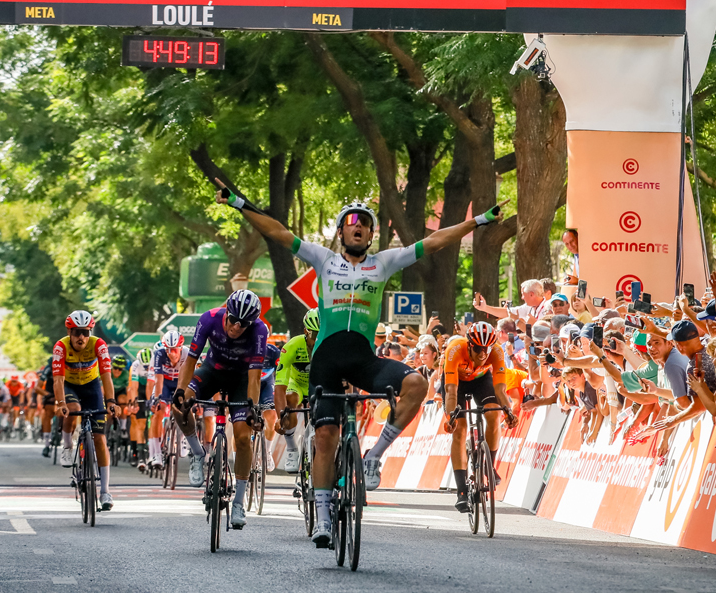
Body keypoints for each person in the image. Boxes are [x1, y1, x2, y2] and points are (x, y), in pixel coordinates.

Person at [214, 177, 507, 547]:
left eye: (365, 224)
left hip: (364, 360)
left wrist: (478, 221)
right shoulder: (324, 259)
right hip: (327, 360)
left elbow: (435, 241)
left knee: (417, 384)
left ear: (370, 235)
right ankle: (322, 519)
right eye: (351, 222)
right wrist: (240, 203)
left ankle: (373, 457)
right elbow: (278, 231)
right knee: (325, 437)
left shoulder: (384, 263)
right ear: (340, 232)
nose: (358, 226)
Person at [171, 289, 268, 529]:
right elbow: (191, 360)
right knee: (179, 407)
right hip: (212, 371)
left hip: (241, 380)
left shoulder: (259, 331)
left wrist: (252, 409)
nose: (236, 326)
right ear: (227, 313)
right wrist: (182, 391)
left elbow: (255, 379)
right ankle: (197, 453)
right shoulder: (209, 318)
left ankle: (238, 503)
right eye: (233, 319)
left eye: (243, 324)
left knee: (244, 437)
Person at [442, 322, 518, 512]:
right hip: (456, 383)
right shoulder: (455, 350)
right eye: (477, 349)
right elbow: (451, 391)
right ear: (469, 345)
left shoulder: (497, 352)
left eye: (486, 349)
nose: (483, 354)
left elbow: (500, 389)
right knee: (459, 430)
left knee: (494, 414)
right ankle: (461, 490)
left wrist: (509, 412)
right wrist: (450, 417)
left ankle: (488, 467)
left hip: (480, 380)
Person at [52, 310, 117, 511]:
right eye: (77, 332)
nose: (81, 337)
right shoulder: (61, 347)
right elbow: (58, 379)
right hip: (70, 386)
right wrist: (61, 402)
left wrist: (111, 401)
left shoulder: (98, 345)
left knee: (100, 439)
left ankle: (105, 491)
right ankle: (67, 447)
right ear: (69, 332)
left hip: (91, 387)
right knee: (73, 409)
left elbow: (106, 375)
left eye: (86, 332)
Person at [274, 308, 319, 473]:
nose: (316, 341)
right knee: (290, 399)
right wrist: (280, 415)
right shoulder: (292, 346)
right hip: (297, 385)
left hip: (318, 385)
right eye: (314, 335)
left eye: (320, 336)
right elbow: (280, 385)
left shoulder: (327, 345)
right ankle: (292, 447)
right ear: (306, 331)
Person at [148, 330, 186, 469]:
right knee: (159, 410)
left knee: (185, 407)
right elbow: (158, 380)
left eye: (174, 349)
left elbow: (191, 378)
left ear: (180, 348)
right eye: (168, 349)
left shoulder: (187, 354)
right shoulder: (159, 354)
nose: (171, 353)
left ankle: (182, 440)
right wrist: (157, 399)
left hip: (180, 383)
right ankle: (157, 454)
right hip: (165, 383)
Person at [128, 348, 152, 470]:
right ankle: (139, 455)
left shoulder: (156, 362)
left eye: (149, 365)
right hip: (140, 390)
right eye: (145, 366)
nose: (147, 367)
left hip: (152, 387)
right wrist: (134, 403)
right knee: (140, 424)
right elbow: (134, 387)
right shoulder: (136, 365)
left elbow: (156, 384)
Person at [260, 341, 281, 472]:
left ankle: (267, 452)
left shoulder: (273, 351)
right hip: (248, 381)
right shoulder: (244, 347)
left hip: (267, 383)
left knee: (271, 417)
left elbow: (280, 374)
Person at [110, 355, 130, 440]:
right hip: (109, 392)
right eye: (115, 368)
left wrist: (129, 403)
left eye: (120, 369)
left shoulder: (126, 375)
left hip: (120, 392)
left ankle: (123, 428)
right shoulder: (108, 373)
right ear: (112, 367)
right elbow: (102, 390)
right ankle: (109, 426)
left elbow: (129, 390)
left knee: (123, 401)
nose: (117, 371)